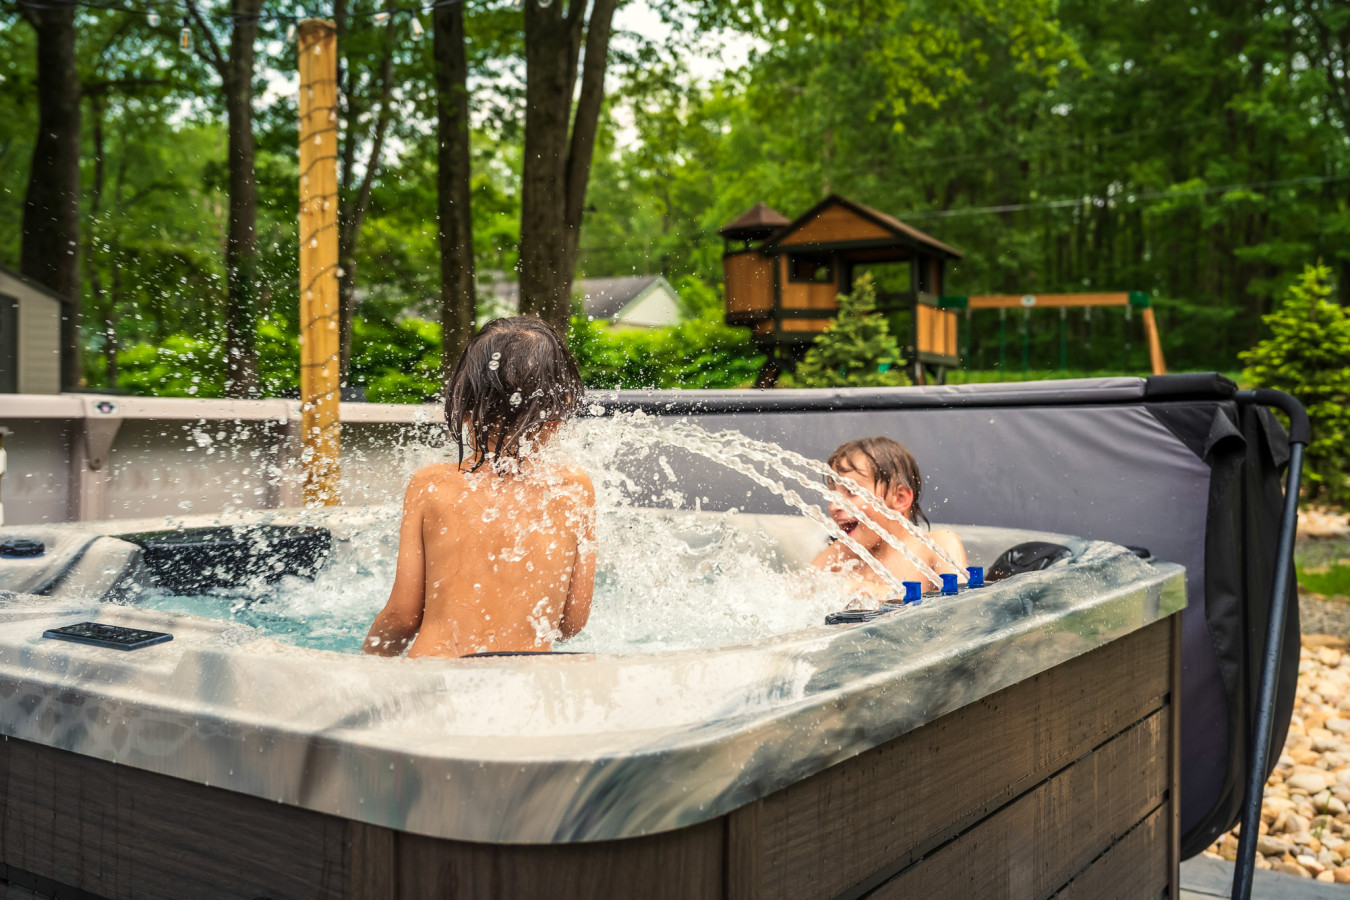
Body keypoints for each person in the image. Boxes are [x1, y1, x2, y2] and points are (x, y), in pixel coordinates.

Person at [363, 317, 596, 658]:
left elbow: (402, 616)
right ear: (557, 415)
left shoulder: (430, 484)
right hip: (527, 679)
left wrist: (366, 665)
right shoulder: (574, 487)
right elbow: (572, 622)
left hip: (436, 675)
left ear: (464, 408)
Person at [812, 436, 967, 593]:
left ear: (900, 499)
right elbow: (795, 592)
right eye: (832, 494)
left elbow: (961, 606)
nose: (834, 506)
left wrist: (882, 593)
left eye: (851, 491)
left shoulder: (935, 546)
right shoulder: (844, 553)